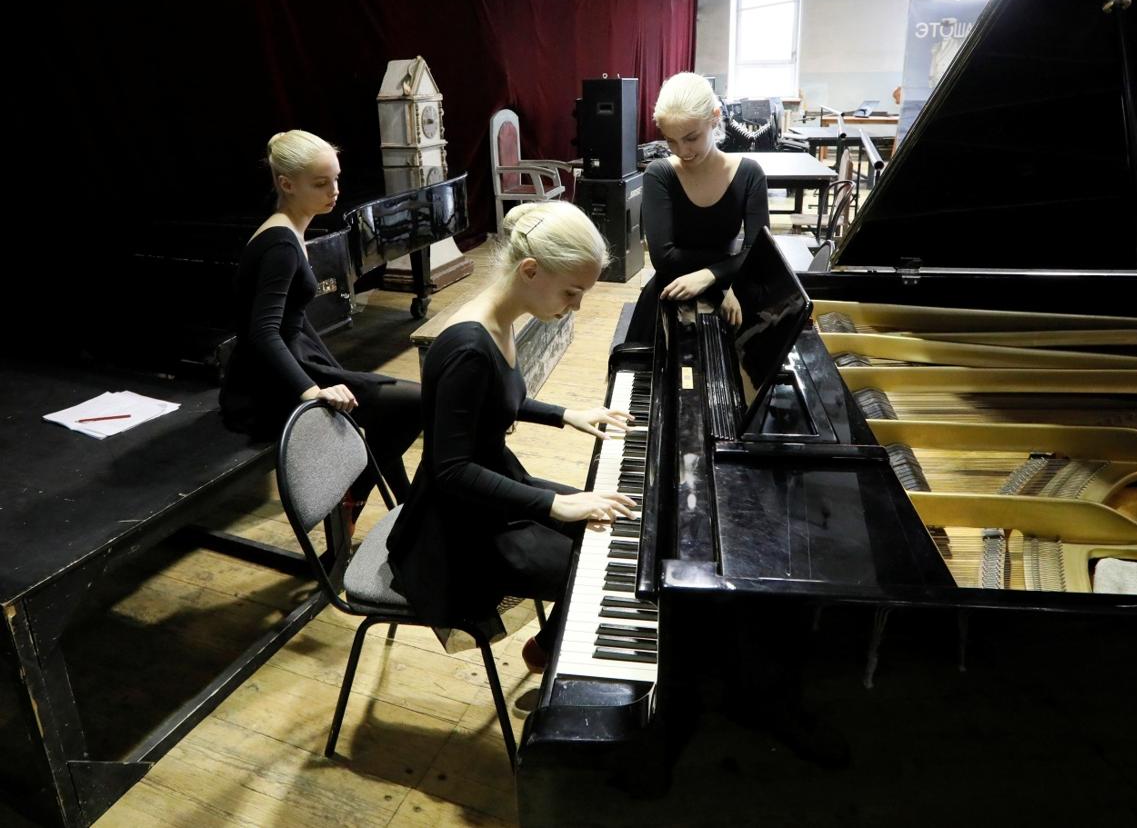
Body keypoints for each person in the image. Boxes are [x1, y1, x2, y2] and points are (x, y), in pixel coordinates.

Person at [386, 200, 635, 672]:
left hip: (486, 489)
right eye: (571, 293)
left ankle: (548, 645)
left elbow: (498, 397)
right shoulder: (469, 348)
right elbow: (451, 471)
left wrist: (566, 414)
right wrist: (553, 505)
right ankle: (551, 655)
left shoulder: (498, 319)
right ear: (530, 270)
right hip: (456, 523)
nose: (576, 306)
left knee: (610, 520)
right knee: (592, 563)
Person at [219, 129, 422, 516]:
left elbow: (292, 322)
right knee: (412, 403)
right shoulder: (280, 244)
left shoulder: (291, 228)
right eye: (321, 183)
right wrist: (311, 390)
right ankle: (364, 503)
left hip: (293, 362)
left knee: (403, 406)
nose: (334, 190)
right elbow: (263, 332)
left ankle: (405, 508)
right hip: (268, 385)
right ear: (286, 184)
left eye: (336, 179)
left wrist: (334, 371)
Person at [624, 71, 770, 342]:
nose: (682, 151)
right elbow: (664, 258)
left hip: (731, 291)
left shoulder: (749, 173)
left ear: (714, 117)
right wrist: (729, 268)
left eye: (691, 137)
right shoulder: (660, 174)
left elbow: (760, 251)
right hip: (673, 289)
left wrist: (710, 276)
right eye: (671, 140)